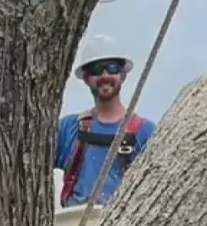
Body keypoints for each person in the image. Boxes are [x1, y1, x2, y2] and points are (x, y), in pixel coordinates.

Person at [53, 35, 156, 207]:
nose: (105, 75)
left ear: (122, 75)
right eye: (96, 70)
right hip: (73, 224)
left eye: (112, 68)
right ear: (86, 78)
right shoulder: (68, 128)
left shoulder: (145, 132)